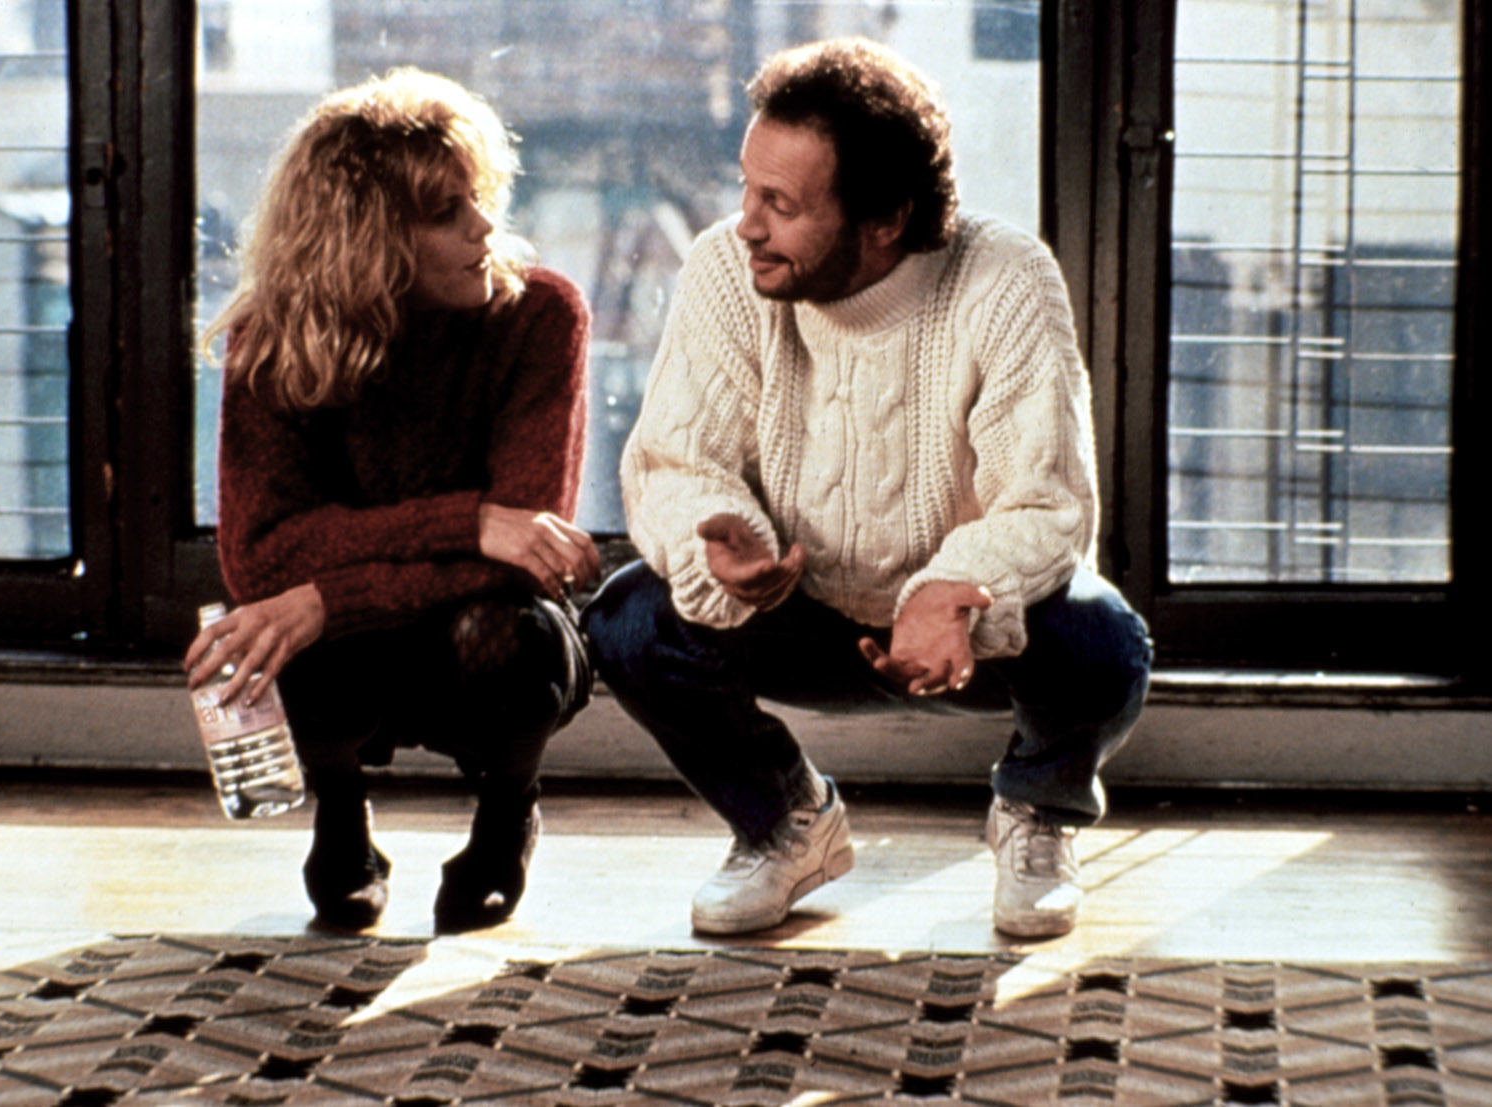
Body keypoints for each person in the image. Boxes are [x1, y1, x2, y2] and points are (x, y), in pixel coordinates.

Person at [581, 38, 1152, 939]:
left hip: (961, 630)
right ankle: (785, 823)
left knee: (1105, 642)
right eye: (746, 188)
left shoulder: (1004, 279)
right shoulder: (728, 272)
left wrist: (949, 588)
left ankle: (1039, 812)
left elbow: (1046, 504)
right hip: (796, 612)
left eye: (781, 203)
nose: (747, 224)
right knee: (626, 618)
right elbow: (670, 463)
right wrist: (718, 538)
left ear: (885, 217)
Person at [184, 67, 599, 934]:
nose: (485, 226)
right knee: (271, 635)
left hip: (475, 627)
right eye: (446, 211)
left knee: (520, 642)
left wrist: (328, 592)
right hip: (353, 645)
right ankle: (343, 816)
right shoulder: (274, 338)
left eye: (478, 197)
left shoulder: (541, 315)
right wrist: (469, 522)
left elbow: (526, 556)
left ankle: (507, 811)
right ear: (366, 239)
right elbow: (262, 557)